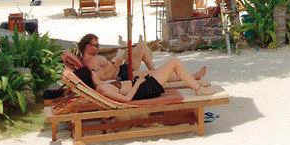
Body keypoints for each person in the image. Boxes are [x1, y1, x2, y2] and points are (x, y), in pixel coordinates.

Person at [77, 33, 208, 85]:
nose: (98, 47)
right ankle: (192, 76)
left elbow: (105, 71)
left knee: (142, 46)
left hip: (121, 68)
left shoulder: (92, 57)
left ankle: (156, 74)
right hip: (123, 75)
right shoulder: (90, 63)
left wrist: (115, 61)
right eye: (96, 45)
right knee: (153, 71)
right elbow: (104, 79)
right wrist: (115, 64)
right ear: (87, 46)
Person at [74, 58, 215, 101]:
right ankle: (198, 88)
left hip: (141, 85)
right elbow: (127, 99)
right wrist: (139, 83)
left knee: (171, 66)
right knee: (174, 63)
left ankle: (195, 82)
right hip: (144, 90)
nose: (95, 72)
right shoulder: (101, 88)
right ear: (90, 78)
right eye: (92, 72)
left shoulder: (100, 85)